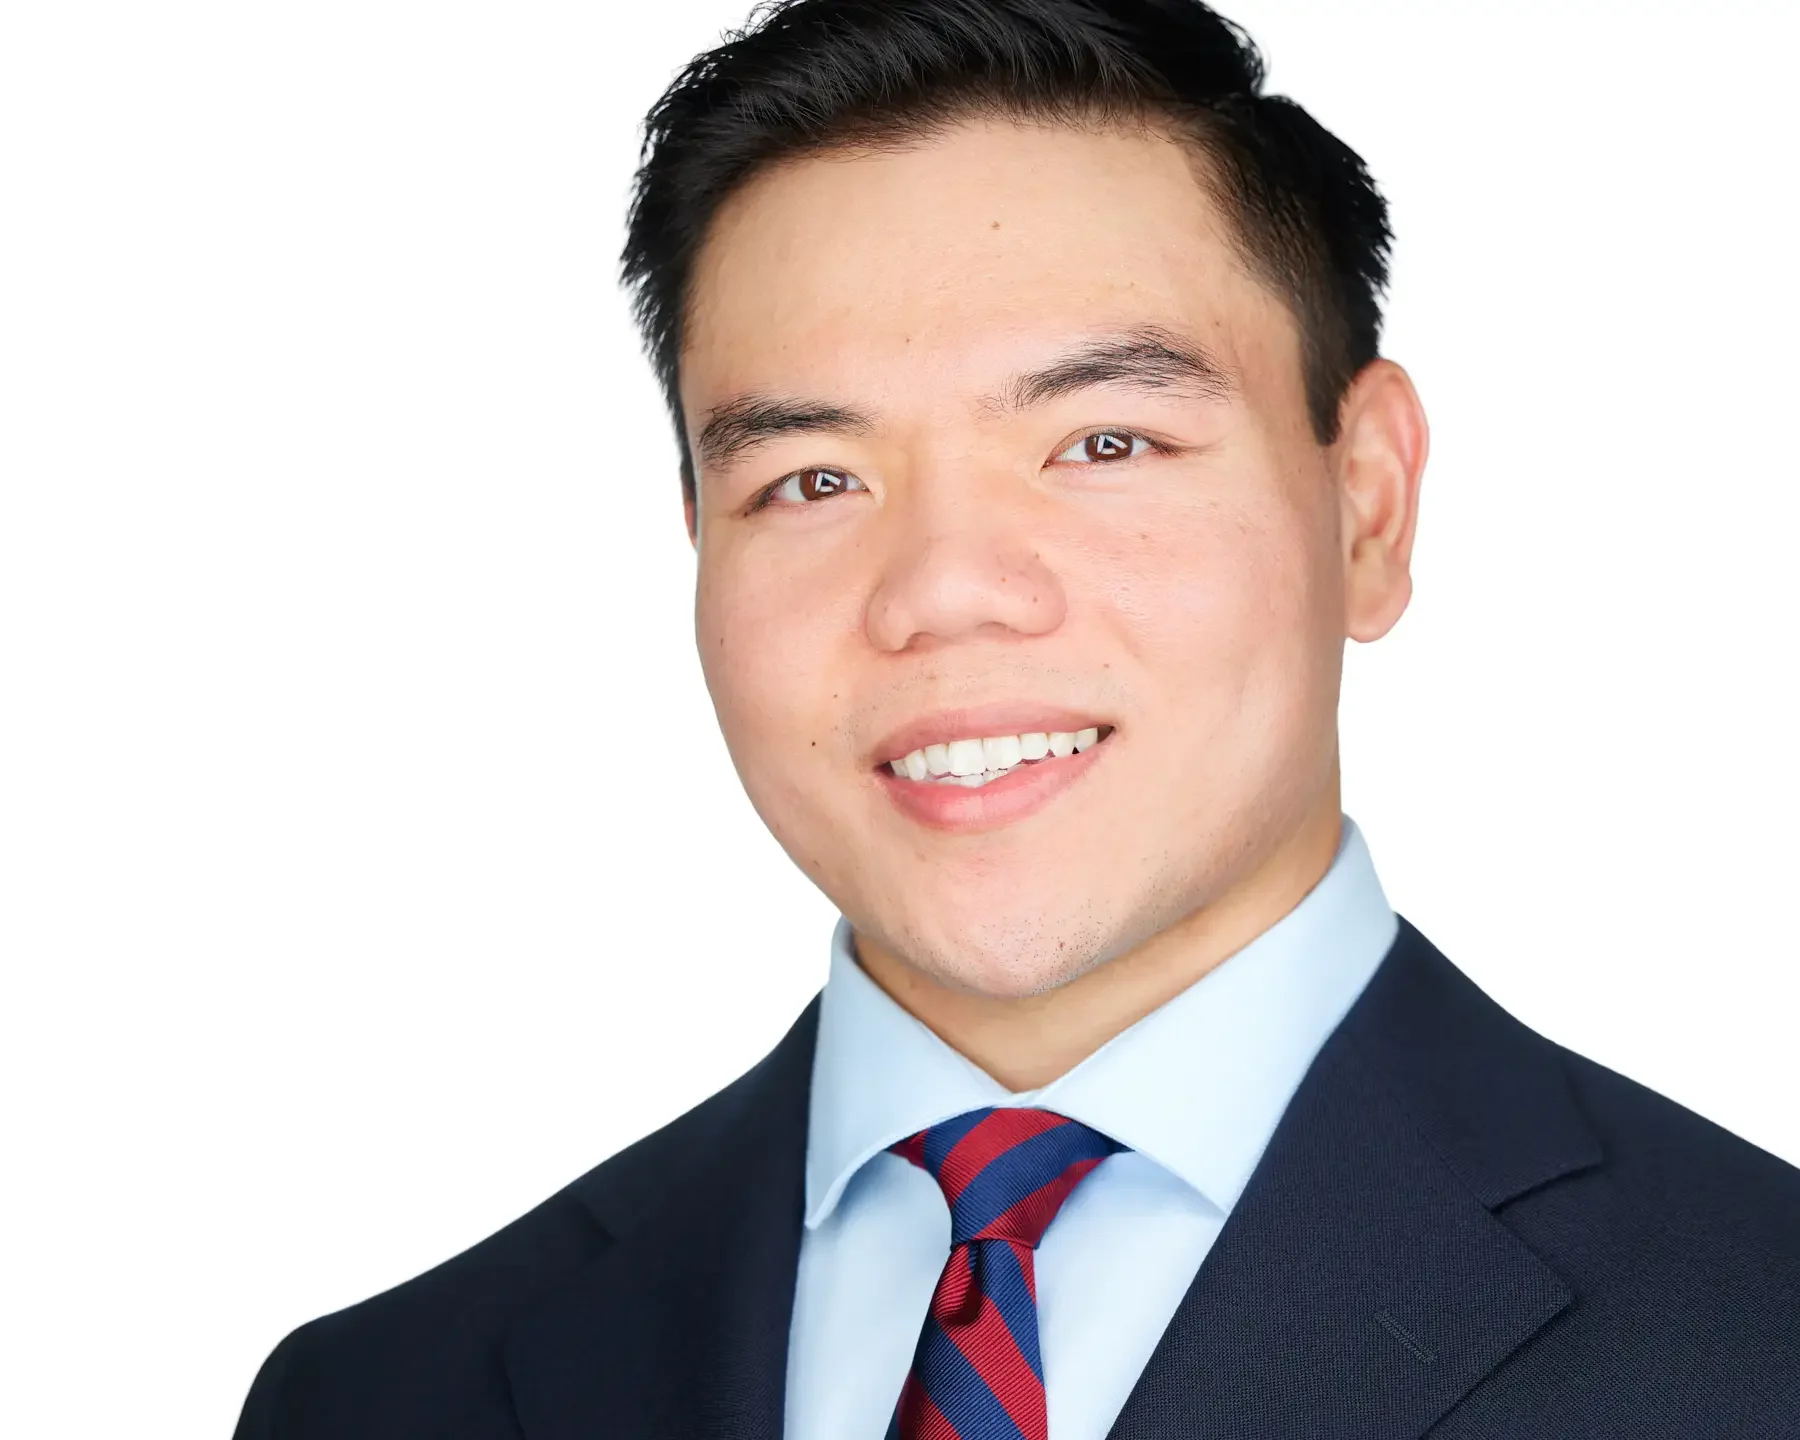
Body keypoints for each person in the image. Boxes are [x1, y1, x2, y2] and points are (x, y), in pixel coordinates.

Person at [231, 1, 1800, 1435]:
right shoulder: (385, 1396)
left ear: (1366, 507)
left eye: (1104, 442)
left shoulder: (1760, 1333)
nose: (945, 590)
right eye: (812, 480)